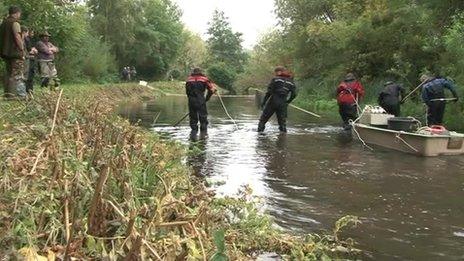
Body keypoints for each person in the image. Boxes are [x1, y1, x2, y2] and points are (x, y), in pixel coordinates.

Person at [258, 66, 297, 133]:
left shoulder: (275, 79)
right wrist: (288, 101)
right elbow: (294, 95)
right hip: (283, 103)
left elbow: (269, 92)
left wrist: (263, 102)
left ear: (279, 72)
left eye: (276, 72)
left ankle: (260, 136)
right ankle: (283, 139)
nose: (275, 74)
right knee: (282, 123)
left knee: (263, 120)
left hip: (273, 102)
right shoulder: (291, 82)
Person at [0, 6, 26, 98]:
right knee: (18, 74)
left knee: (8, 73)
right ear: (16, 13)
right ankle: (21, 95)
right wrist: (22, 49)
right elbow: (17, 37)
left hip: (5, 53)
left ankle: (8, 95)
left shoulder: (3, 23)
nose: (19, 15)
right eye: (19, 13)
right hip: (15, 52)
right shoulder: (15, 23)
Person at [185, 68, 216, 137]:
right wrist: (207, 99)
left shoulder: (188, 79)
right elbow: (211, 90)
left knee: (193, 119)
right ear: (200, 72)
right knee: (203, 119)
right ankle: (203, 136)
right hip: (201, 100)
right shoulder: (204, 79)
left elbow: (187, 92)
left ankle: (193, 136)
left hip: (191, 101)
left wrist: (191, 100)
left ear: (193, 72)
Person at [24, 28, 38, 94]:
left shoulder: (31, 40)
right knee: (28, 75)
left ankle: (30, 90)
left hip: (32, 58)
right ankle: (28, 90)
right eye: (31, 33)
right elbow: (29, 50)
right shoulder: (26, 39)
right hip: (28, 58)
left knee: (31, 74)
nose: (32, 34)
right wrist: (33, 50)